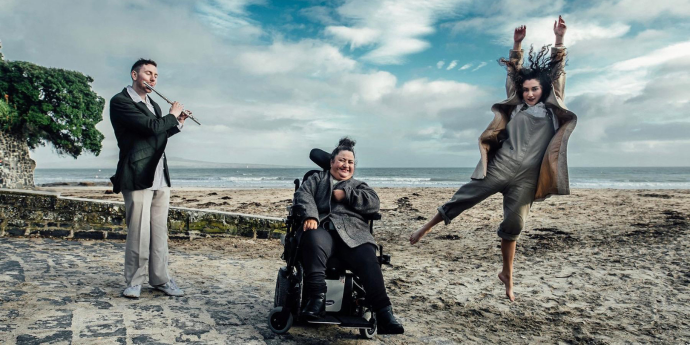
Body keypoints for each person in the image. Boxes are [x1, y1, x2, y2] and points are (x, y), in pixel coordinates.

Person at [410, 16, 577, 302]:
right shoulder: (515, 106)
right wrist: (516, 45)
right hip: (502, 166)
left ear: (544, 89)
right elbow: (512, 74)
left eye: (534, 89)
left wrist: (559, 39)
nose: (529, 93)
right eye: (526, 90)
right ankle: (426, 227)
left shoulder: (552, 107)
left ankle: (507, 274)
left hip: (528, 177)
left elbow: (558, 70)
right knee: (465, 196)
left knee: (515, 225)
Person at [295, 137, 404, 334]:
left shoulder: (359, 185)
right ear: (331, 162)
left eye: (350, 162)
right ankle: (317, 299)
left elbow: (374, 203)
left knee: (369, 257)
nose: (346, 165)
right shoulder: (317, 179)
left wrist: (347, 195)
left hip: (353, 233)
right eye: (342, 160)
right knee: (312, 236)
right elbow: (303, 196)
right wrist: (310, 215)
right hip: (323, 229)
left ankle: (384, 313)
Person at [110, 58, 189, 298]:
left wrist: (178, 123)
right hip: (136, 173)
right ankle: (134, 281)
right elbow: (150, 127)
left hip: (159, 175)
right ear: (135, 75)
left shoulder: (153, 105)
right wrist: (171, 116)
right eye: (148, 73)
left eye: (155, 75)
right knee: (139, 231)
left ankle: (160, 279)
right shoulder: (121, 101)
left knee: (158, 231)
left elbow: (157, 135)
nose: (153, 78)